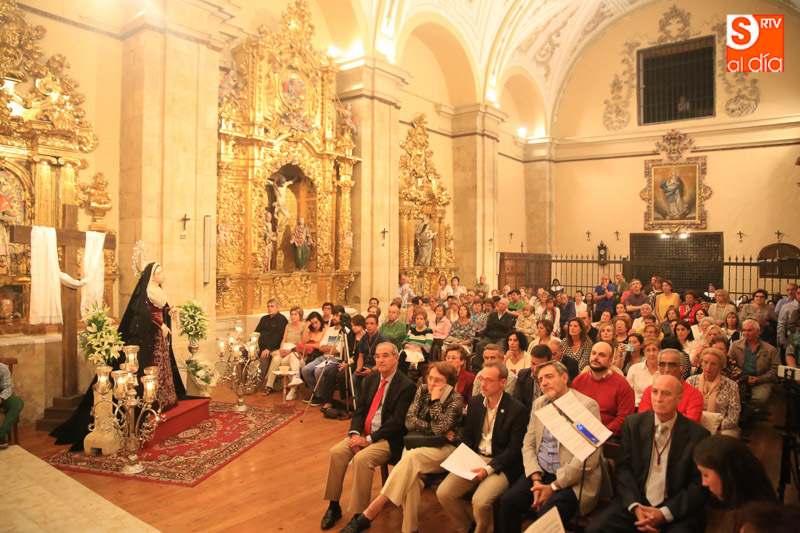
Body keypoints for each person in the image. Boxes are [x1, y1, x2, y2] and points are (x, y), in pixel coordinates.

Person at [51, 262, 188, 451]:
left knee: (163, 366)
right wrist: (160, 324)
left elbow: (159, 309)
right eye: (159, 272)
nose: (163, 274)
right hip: (150, 338)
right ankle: (150, 402)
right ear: (152, 276)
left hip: (160, 337)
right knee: (153, 365)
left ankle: (165, 400)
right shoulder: (146, 292)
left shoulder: (158, 291)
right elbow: (146, 314)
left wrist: (168, 312)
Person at [340, 362, 463, 533]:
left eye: (438, 380)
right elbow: (409, 421)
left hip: (443, 449)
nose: (432, 384)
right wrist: (435, 429)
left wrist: (435, 401)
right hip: (415, 443)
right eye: (430, 378)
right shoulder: (422, 390)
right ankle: (409, 529)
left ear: (449, 383)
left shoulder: (455, 399)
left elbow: (440, 427)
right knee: (411, 481)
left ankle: (374, 508)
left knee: (411, 459)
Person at [586, 375, 710, 533]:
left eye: (666, 393)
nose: (658, 398)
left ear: (679, 398)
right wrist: (636, 506)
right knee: (595, 530)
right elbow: (624, 469)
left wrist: (663, 513)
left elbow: (698, 485)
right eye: (655, 392)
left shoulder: (697, 435)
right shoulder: (634, 424)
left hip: (675, 510)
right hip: (637, 502)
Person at [496, 361, 604, 532]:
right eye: (540, 380)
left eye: (549, 377)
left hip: (571, 481)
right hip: (540, 473)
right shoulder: (540, 403)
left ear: (564, 378)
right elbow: (528, 444)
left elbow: (587, 458)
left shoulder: (586, 406)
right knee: (507, 503)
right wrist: (536, 479)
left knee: (546, 517)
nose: (544, 382)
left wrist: (553, 487)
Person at [320, 343, 416, 531]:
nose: (380, 360)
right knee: (336, 452)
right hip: (364, 433)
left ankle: (359, 516)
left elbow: (397, 423)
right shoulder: (371, 379)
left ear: (396, 358)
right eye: (377, 356)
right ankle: (333, 506)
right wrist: (355, 434)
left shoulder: (406, 386)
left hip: (388, 439)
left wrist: (369, 440)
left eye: (385, 355)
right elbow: (360, 410)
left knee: (362, 459)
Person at [438, 361, 528, 533]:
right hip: (476, 457)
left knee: (480, 502)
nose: (482, 384)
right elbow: (469, 437)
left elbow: (514, 450)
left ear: (502, 383)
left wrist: (487, 470)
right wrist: (459, 459)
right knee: (444, 492)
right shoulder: (475, 402)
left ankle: (481, 530)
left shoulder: (516, 410)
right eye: (481, 379)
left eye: (488, 380)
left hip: (501, 463)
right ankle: (466, 527)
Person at [571, 341, 635, 437]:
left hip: (608, 437)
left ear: (610, 360)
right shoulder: (578, 380)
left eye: (602, 355)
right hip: (579, 433)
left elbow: (623, 419)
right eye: (594, 353)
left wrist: (599, 433)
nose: (596, 357)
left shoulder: (623, 385)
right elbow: (570, 410)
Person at [686, 348, 741, 437]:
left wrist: (715, 426)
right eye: (705, 362)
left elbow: (734, 414)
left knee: (727, 436)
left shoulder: (731, 385)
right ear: (701, 363)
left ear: (721, 367)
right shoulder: (691, 381)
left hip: (721, 427)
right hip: (694, 423)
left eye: (713, 364)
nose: (708, 367)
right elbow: (684, 407)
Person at [638, 348, 704, 423]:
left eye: (671, 365)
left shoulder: (694, 395)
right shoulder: (650, 391)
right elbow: (643, 420)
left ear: (682, 368)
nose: (666, 369)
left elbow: (690, 424)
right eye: (662, 365)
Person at [729, 319, 780, 406]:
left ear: (758, 331)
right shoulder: (735, 345)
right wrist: (740, 377)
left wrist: (760, 379)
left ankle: (748, 411)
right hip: (739, 379)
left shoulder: (770, 350)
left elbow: (775, 370)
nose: (746, 333)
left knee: (760, 397)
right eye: (744, 330)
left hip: (761, 381)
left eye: (750, 330)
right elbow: (730, 363)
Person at [264, 306, 306, 397]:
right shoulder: (288, 325)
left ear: (300, 315)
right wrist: (281, 349)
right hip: (285, 348)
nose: (293, 316)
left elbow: (303, 342)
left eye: (295, 314)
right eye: (291, 314)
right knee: (276, 359)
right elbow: (284, 339)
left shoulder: (304, 326)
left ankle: (293, 386)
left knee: (283, 362)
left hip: (295, 351)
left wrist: (290, 350)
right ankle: (269, 385)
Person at [300, 311, 338, 405]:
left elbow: (333, 349)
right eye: (312, 323)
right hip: (322, 354)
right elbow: (305, 341)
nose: (315, 325)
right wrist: (307, 326)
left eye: (316, 322)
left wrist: (310, 345)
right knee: (305, 370)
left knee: (318, 370)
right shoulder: (330, 330)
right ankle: (317, 393)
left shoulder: (327, 329)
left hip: (329, 356)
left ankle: (320, 395)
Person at [352, 315, 390, 397]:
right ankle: (358, 403)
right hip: (365, 365)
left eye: (372, 323)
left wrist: (371, 370)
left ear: (377, 325)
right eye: (367, 324)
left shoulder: (383, 340)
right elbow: (360, 356)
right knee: (353, 380)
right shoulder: (364, 338)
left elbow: (384, 362)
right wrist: (358, 369)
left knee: (365, 382)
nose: (369, 326)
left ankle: (368, 403)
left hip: (377, 367)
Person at [474, 298, 515, 371]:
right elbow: (489, 325)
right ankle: (480, 366)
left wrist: (496, 323)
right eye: (500, 303)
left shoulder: (508, 316)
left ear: (506, 306)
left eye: (503, 304)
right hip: (490, 336)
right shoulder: (492, 314)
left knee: (499, 348)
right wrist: (500, 324)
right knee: (479, 345)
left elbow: (506, 327)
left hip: (501, 337)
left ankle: (497, 367)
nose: (501, 305)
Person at [256, 298, 289, 389]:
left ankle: (256, 384)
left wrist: (268, 349)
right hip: (260, 347)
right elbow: (256, 332)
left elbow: (278, 337)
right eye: (268, 306)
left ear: (277, 308)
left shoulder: (281, 319)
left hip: (273, 348)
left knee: (264, 357)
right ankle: (240, 380)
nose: (269, 308)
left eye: (272, 306)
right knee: (242, 352)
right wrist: (251, 344)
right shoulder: (264, 319)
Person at [513, 344, 552, 415]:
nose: (535, 368)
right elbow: (517, 402)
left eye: (539, 366)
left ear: (549, 363)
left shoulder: (553, 379)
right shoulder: (523, 375)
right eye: (533, 363)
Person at [627, 338, 660, 408]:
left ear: (660, 351)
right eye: (648, 350)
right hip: (637, 406)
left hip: (659, 407)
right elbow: (627, 392)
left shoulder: (664, 371)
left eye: (654, 350)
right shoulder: (634, 369)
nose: (651, 354)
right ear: (644, 352)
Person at [0, 360, 23, 448]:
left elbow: (8, 387)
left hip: (2, 394)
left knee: (17, 403)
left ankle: (1, 434)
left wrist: (1, 398)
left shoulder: (2, 368)